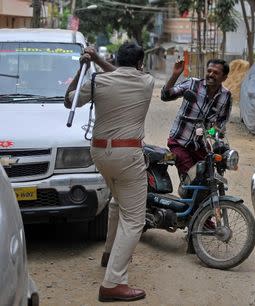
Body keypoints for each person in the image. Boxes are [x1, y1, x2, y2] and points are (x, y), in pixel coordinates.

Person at [64, 41, 154, 302]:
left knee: (117, 202)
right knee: (135, 219)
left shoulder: (97, 82)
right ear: (140, 64)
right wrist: (97, 60)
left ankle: (108, 253)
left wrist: (82, 67)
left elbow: (68, 100)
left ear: (116, 58)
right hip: (128, 156)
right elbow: (122, 72)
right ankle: (113, 282)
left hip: (100, 153)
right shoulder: (146, 81)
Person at [161, 57, 232, 185]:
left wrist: (210, 132)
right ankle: (188, 200)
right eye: (209, 71)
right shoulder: (193, 84)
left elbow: (220, 125)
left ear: (224, 77)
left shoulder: (226, 96)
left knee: (208, 179)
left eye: (216, 73)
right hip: (179, 141)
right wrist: (175, 75)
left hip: (201, 145)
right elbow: (165, 96)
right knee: (192, 180)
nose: (211, 74)